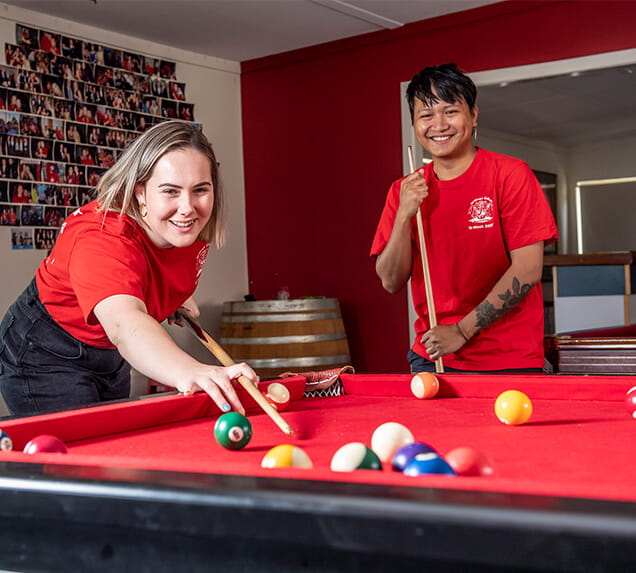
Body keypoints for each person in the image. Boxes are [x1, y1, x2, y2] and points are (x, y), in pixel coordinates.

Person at [0, 120, 256, 416]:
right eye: (170, 191)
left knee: (110, 450)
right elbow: (125, 323)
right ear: (140, 192)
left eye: (200, 189)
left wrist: (166, 296)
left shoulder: (187, 226)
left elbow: (147, 271)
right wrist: (192, 371)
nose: (187, 207)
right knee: (82, 458)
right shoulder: (102, 237)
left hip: (108, 354)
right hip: (45, 351)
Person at [371, 63, 558, 374]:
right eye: (426, 115)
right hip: (433, 357)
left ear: (473, 115)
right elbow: (390, 281)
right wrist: (404, 214)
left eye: (450, 111)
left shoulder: (510, 174)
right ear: (415, 124)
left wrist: (461, 331)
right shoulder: (404, 190)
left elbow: (527, 271)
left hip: (508, 358)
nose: (438, 124)